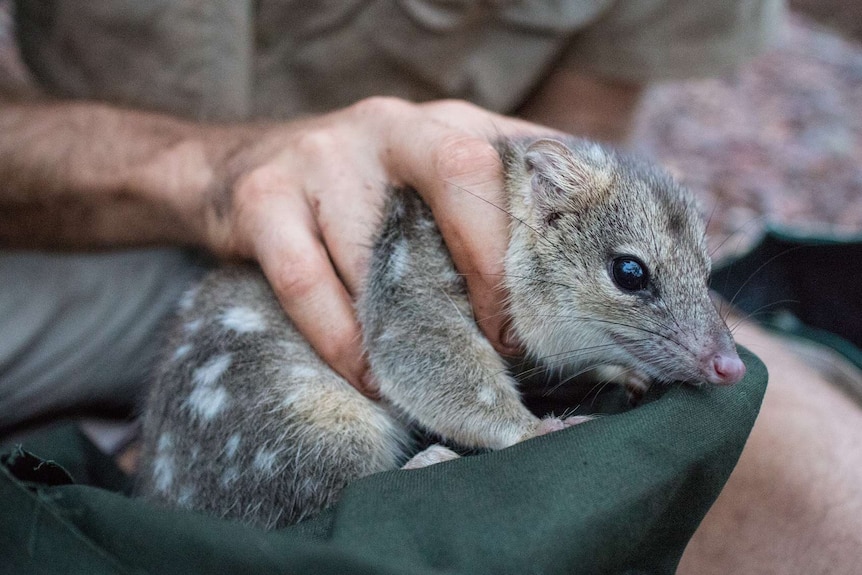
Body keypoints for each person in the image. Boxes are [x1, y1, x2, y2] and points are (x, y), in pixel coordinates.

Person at [2, 1, 860, 573]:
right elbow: (427, 350)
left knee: (826, 494)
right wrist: (211, 172)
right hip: (81, 224)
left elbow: (582, 148)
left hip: (387, 257)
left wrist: (606, 331)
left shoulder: (562, 225)